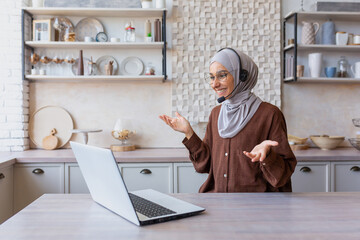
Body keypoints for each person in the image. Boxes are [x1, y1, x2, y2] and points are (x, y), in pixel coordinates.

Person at [159, 48, 297, 193]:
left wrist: (267, 155)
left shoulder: (270, 114)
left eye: (222, 75)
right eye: (212, 77)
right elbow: (205, 165)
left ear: (242, 76)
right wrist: (189, 133)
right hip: (219, 201)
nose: (214, 84)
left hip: (258, 206)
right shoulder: (216, 114)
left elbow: (283, 174)